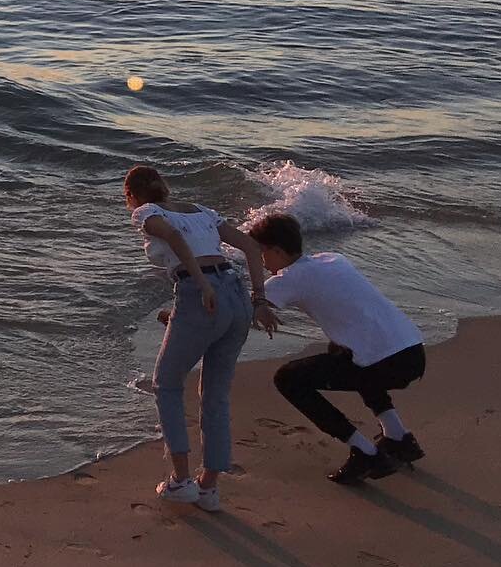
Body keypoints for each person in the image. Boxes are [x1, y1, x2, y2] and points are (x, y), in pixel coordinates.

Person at [125, 164, 275, 512]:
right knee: (216, 392)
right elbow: (252, 248)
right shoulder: (202, 212)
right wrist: (260, 301)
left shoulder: (146, 213)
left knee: (166, 383)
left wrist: (203, 285)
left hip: (201, 294)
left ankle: (181, 480)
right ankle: (209, 487)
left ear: (130, 196)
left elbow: (174, 238)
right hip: (236, 297)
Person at [248, 212, 425, 485]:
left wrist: (180, 316)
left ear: (277, 250)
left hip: (386, 363)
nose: (261, 262)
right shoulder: (333, 259)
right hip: (412, 351)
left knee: (287, 379)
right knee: (343, 350)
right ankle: (398, 437)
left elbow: (236, 309)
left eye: (261, 254)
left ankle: (365, 452)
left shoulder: (288, 279)